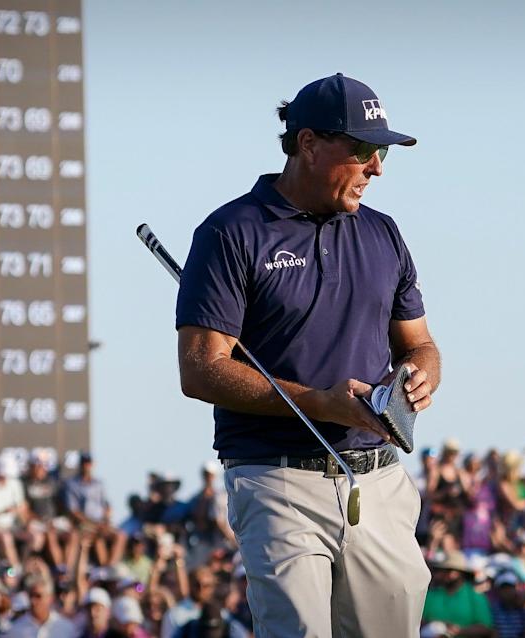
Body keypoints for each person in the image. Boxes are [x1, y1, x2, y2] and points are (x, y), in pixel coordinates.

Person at [175, 72, 439, 638]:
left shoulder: (384, 233)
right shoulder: (230, 232)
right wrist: (318, 402)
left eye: (382, 153)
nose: (378, 168)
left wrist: (419, 376)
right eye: (364, 150)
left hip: (379, 479)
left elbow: (418, 343)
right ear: (309, 144)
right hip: (277, 479)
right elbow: (201, 369)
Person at [64, 453, 125, 565]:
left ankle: (110, 568)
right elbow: (73, 511)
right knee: (97, 538)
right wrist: (94, 524)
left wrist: (106, 520)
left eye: (89, 463)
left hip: (101, 523)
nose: (87, 466)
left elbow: (107, 505)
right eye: (84, 463)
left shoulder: (99, 484)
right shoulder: (72, 484)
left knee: (120, 535)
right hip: (84, 524)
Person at [422, 551, 494, 637]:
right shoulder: (431, 595)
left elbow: (485, 628)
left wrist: (459, 631)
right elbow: (418, 621)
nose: (443, 574)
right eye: (442, 570)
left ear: (460, 573)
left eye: (449, 570)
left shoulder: (475, 596)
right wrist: (436, 626)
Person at [3, 575, 76, 638]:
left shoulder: (66, 628)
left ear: (50, 598)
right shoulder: (15, 629)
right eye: (31, 596)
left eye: (38, 596)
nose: (33, 600)